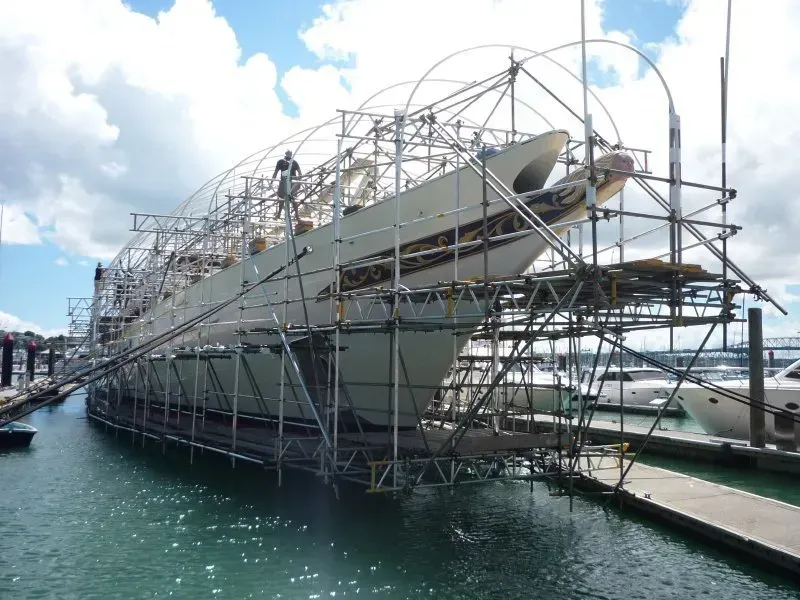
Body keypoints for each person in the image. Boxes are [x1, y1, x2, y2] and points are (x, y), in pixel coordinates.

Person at [272, 150, 302, 221]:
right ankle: (279, 214)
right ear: (285, 154)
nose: (289, 155)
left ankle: (297, 214)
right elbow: (276, 172)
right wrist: (271, 181)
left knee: (294, 198)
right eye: (288, 154)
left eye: (290, 154)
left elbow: (300, 174)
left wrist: (299, 182)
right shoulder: (281, 162)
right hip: (284, 181)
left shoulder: (294, 162)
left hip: (292, 181)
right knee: (281, 198)